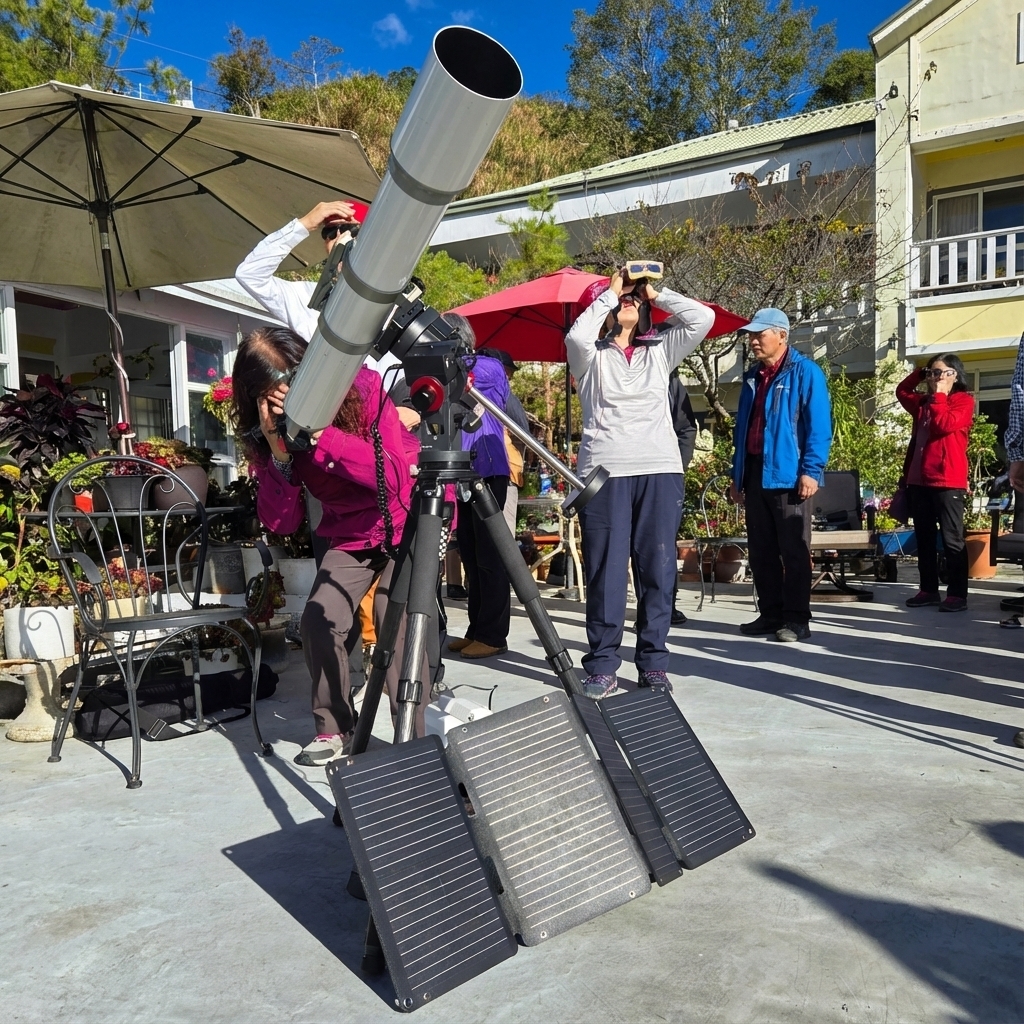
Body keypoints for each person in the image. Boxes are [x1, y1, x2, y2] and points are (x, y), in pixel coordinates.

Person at [232, 324, 426, 766]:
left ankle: (414, 739)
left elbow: (392, 476)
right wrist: (280, 455)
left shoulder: (364, 389)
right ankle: (335, 726)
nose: (287, 403)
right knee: (320, 621)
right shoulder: (268, 433)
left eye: (293, 388)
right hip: (352, 532)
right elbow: (282, 522)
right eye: (271, 397)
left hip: (409, 515)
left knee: (393, 621)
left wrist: (321, 435)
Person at [566, 268, 715, 699]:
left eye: (635, 299)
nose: (629, 300)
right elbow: (576, 337)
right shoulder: (589, 357)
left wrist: (656, 291)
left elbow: (702, 319)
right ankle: (602, 665)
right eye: (621, 298)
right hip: (604, 474)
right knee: (606, 573)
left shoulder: (660, 351)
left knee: (659, 570)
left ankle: (653, 663)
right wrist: (610, 293)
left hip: (659, 470)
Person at [729, 308, 832, 642]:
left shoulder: (806, 372)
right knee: (761, 551)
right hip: (755, 472)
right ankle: (770, 614)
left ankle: (797, 619)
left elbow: (819, 427)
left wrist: (811, 471)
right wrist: (737, 476)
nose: (753, 341)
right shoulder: (752, 377)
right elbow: (742, 431)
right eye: (751, 335)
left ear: (782, 336)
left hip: (790, 475)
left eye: (760, 335)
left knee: (794, 551)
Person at [446, 323, 516, 659]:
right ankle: (477, 629)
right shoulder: (454, 371)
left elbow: (476, 371)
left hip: (487, 470)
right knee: (471, 556)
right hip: (461, 473)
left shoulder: (488, 367)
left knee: (490, 555)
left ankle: (493, 635)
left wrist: (449, 356)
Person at [896, 354, 975, 613]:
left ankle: (957, 594)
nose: (936, 377)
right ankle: (928, 590)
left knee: (952, 539)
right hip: (919, 481)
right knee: (924, 538)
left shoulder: (963, 401)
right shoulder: (922, 403)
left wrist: (940, 396)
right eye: (932, 373)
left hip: (947, 481)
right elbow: (902, 391)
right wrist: (919, 372)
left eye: (941, 372)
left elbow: (943, 425)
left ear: (955, 374)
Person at [668, 367, 698, 627]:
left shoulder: (672, 382)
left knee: (661, 546)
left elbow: (687, 428)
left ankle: (665, 605)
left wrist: (677, 467)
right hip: (619, 476)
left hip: (664, 477)